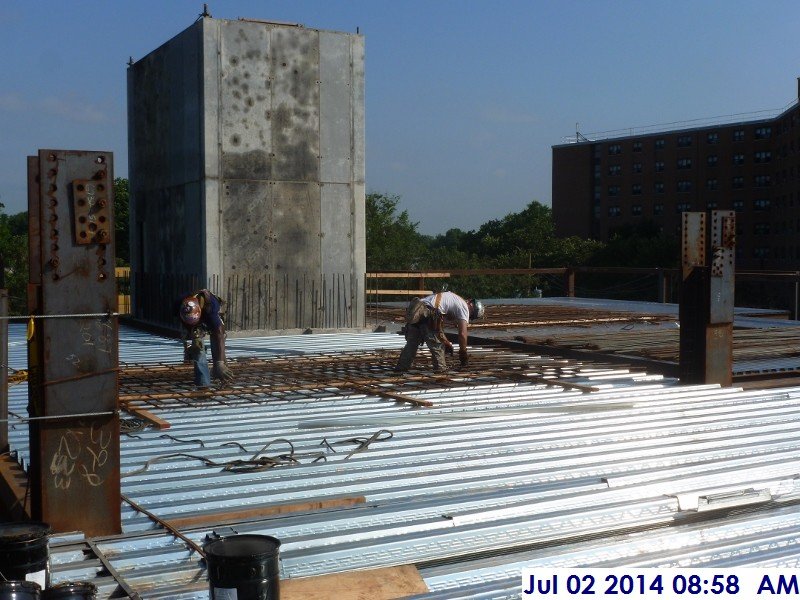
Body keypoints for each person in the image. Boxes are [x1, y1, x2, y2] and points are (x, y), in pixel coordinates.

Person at [395, 291, 485, 373]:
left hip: (416, 312)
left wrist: (446, 342)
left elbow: (438, 330)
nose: (468, 318)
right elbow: (462, 334)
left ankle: (400, 370)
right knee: (438, 348)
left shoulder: (452, 300)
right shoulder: (464, 307)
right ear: (472, 307)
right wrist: (463, 353)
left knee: (411, 345)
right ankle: (440, 373)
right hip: (428, 315)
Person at [177, 289, 234, 386]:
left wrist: (219, 363)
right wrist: (194, 338)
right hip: (190, 320)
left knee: (219, 341)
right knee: (198, 348)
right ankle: (203, 383)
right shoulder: (179, 305)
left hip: (208, 313)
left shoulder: (210, 307)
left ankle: (220, 371)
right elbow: (184, 324)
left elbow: (218, 333)